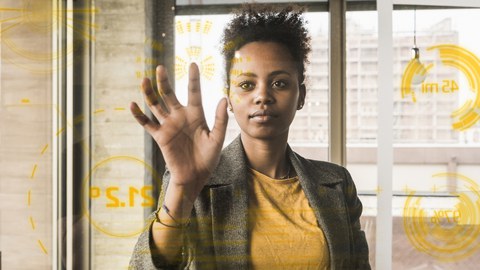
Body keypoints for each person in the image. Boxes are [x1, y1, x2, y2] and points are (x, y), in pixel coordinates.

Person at [129, 4, 370, 269]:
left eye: (279, 83)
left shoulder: (337, 183)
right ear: (230, 99)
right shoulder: (196, 180)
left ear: (300, 96)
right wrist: (181, 190)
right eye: (246, 85)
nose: (262, 96)